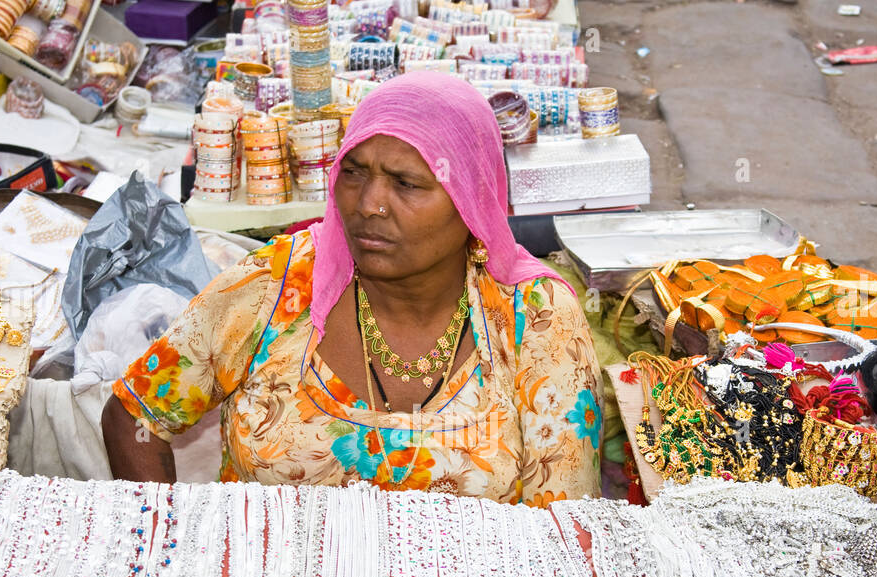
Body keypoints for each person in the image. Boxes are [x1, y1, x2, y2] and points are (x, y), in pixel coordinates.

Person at [103, 72, 602, 506]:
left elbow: (562, 525)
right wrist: (167, 551)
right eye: (355, 173)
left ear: (472, 199)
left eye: (406, 184)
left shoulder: (535, 317)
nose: (369, 205)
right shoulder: (276, 285)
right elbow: (134, 415)